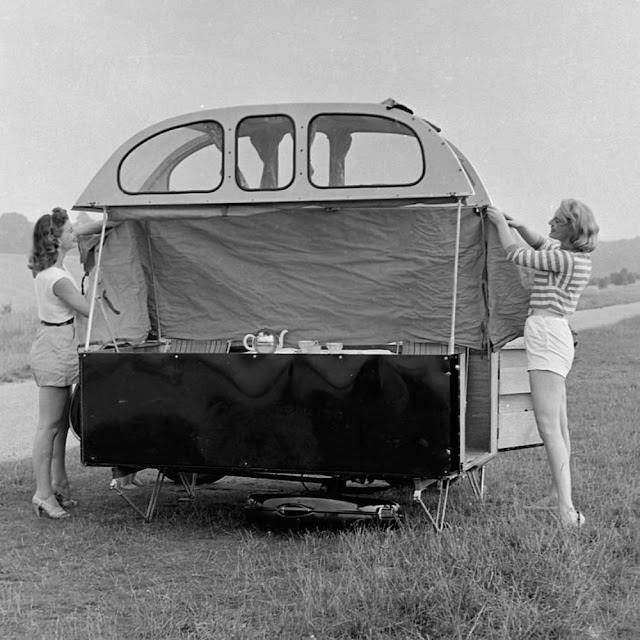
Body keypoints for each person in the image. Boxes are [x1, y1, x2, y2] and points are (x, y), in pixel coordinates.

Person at [485, 199, 599, 528]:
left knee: (549, 426)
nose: (550, 221)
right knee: (559, 425)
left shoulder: (562, 259)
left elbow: (519, 255)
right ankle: (558, 496)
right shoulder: (576, 258)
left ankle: (565, 510)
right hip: (555, 334)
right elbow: (540, 242)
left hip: (547, 336)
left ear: (570, 228)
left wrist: (501, 225)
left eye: (557, 220)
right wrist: (519, 224)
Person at [28, 207, 91, 518]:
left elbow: (84, 229)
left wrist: (113, 219)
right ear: (55, 238)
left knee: (60, 423)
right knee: (48, 425)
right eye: (68, 232)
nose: (73, 235)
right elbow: (87, 309)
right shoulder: (56, 278)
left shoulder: (55, 270)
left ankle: (58, 483)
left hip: (60, 344)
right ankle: (42, 493)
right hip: (54, 347)